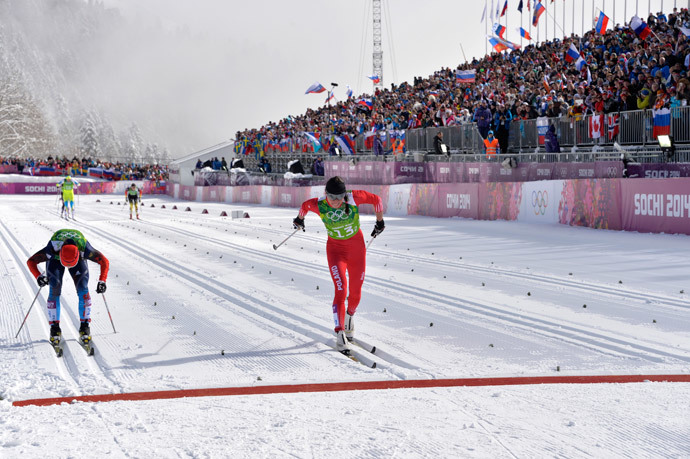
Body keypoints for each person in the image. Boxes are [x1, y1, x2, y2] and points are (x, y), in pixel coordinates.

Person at [292, 176, 384, 354]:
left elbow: (377, 200)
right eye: (332, 197)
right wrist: (299, 220)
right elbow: (304, 206)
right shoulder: (318, 205)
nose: (335, 201)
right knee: (341, 289)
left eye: (339, 197)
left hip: (357, 250)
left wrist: (379, 222)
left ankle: (349, 317)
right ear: (326, 194)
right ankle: (340, 332)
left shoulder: (353, 198)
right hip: (335, 252)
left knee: (356, 294)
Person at [26, 229, 109, 347]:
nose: (68, 267)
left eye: (70, 265)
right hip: (55, 259)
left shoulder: (85, 249)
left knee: (83, 289)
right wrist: (39, 276)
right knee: (54, 290)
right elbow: (31, 261)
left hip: (77, 257)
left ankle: (85, 326)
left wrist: (102, 281)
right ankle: (54, 328)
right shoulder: (51, 249)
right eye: (66, 264)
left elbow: (104, 261)